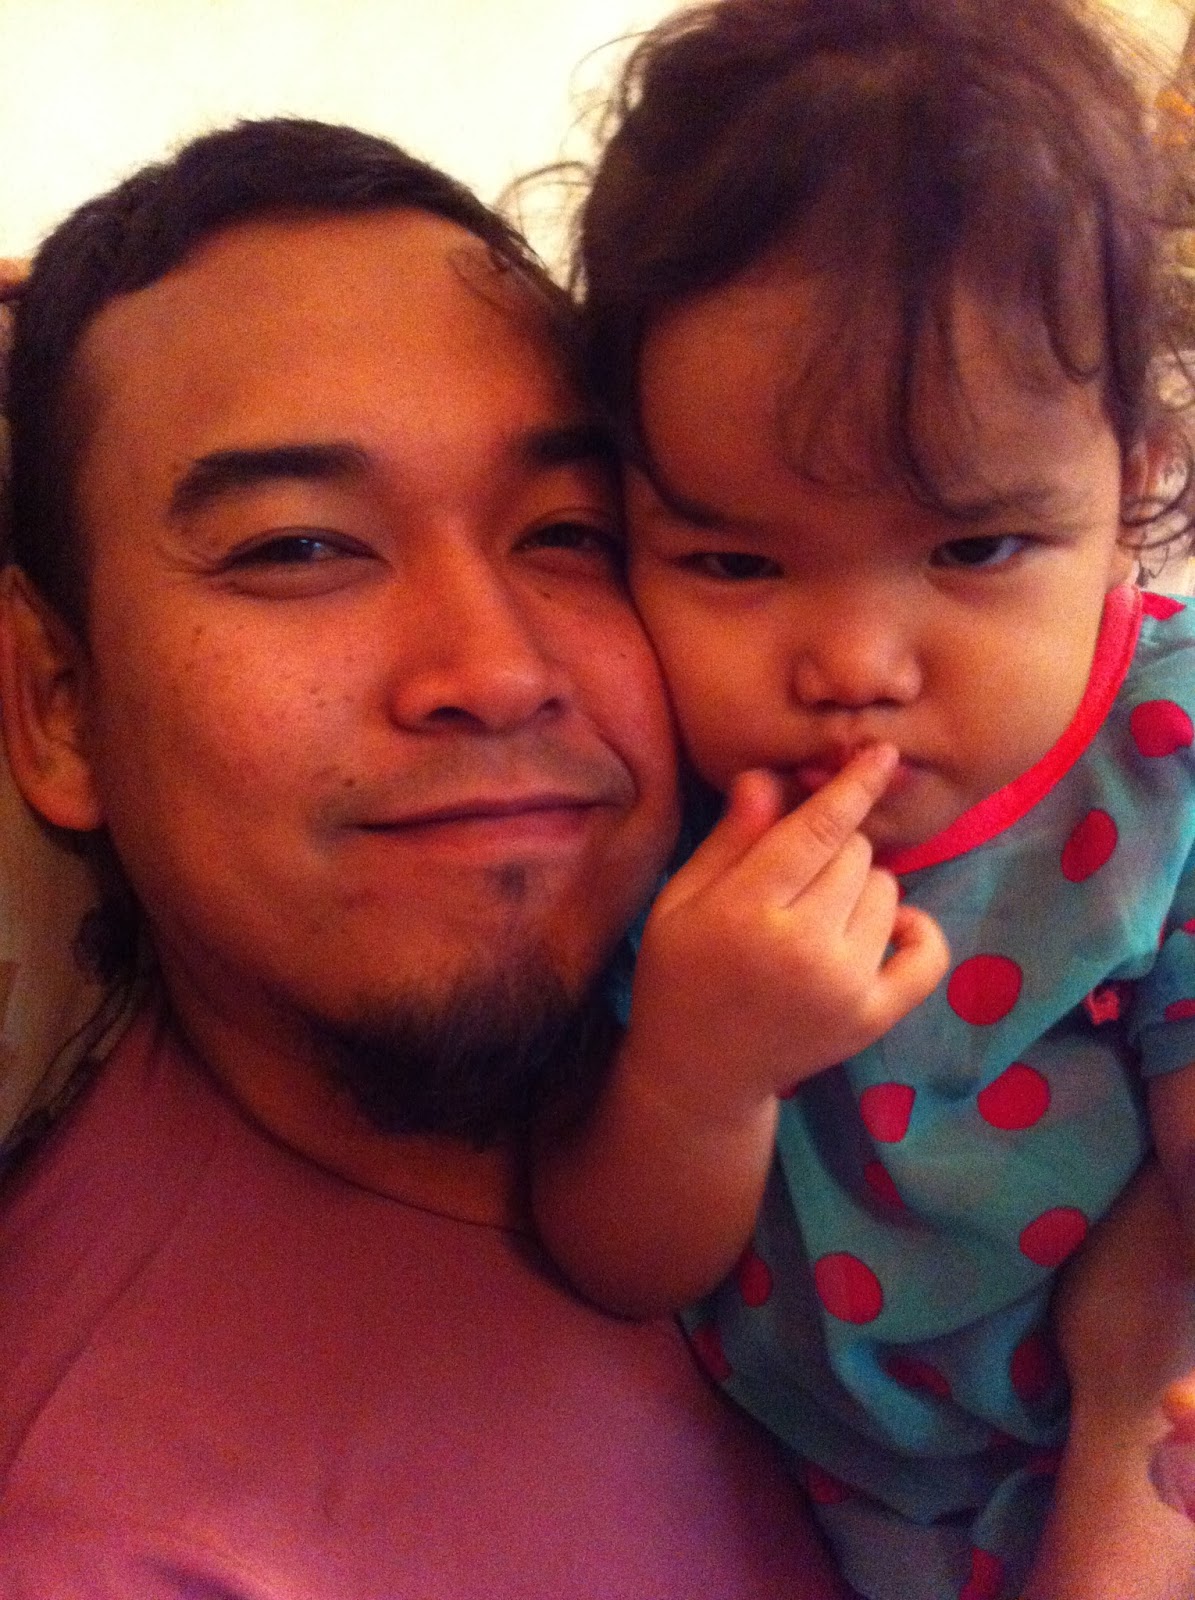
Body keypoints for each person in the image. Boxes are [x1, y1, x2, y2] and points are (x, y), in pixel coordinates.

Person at [0, 112, 1182, 1600]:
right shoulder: (122, 1539)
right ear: (59, 704)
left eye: (568, 531)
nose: (498, 671)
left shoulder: (830, 871)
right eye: (300, 547)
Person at [531, 1, 1195, 1596]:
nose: (853, 665)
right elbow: (617, 1264)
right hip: (821, 1492)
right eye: (731, 561)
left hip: (1126, 1443)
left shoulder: (1163, 747)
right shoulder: (665, 790)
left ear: (1134, 485)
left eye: (973, 549)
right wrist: (696, 1076)